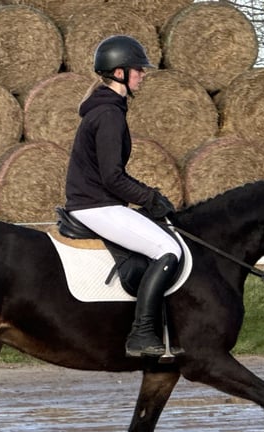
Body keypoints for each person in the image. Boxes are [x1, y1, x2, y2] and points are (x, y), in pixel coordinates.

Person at [64, 35, 182, 358]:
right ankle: (142, 334)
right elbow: (112, 177)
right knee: (168, 249)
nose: (143, 75)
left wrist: (149, 197)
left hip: (95, 201)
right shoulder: (109, 115)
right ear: (119, 74)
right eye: (137, 70)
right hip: (95, 205)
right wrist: (151, 198)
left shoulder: (108, 109)